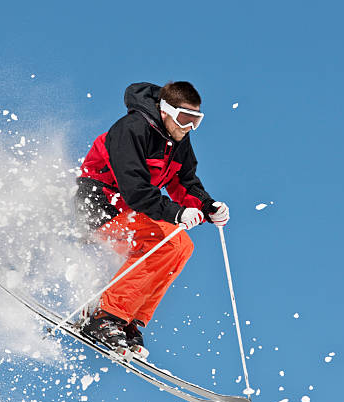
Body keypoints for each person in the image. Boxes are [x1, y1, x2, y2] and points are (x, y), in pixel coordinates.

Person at [75, 81, 229, 353]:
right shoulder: (131, 130)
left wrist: (207, 206)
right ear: (166, 111)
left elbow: (185, 182)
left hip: (131, 211)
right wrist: (177, 212)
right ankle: (106, 316)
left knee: (182, 247)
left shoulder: (179, 140)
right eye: (185, 119)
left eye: (196, 121)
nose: (189, 127)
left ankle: (125, 319)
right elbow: (134, 189)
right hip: (100, 206)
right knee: (169, 242)